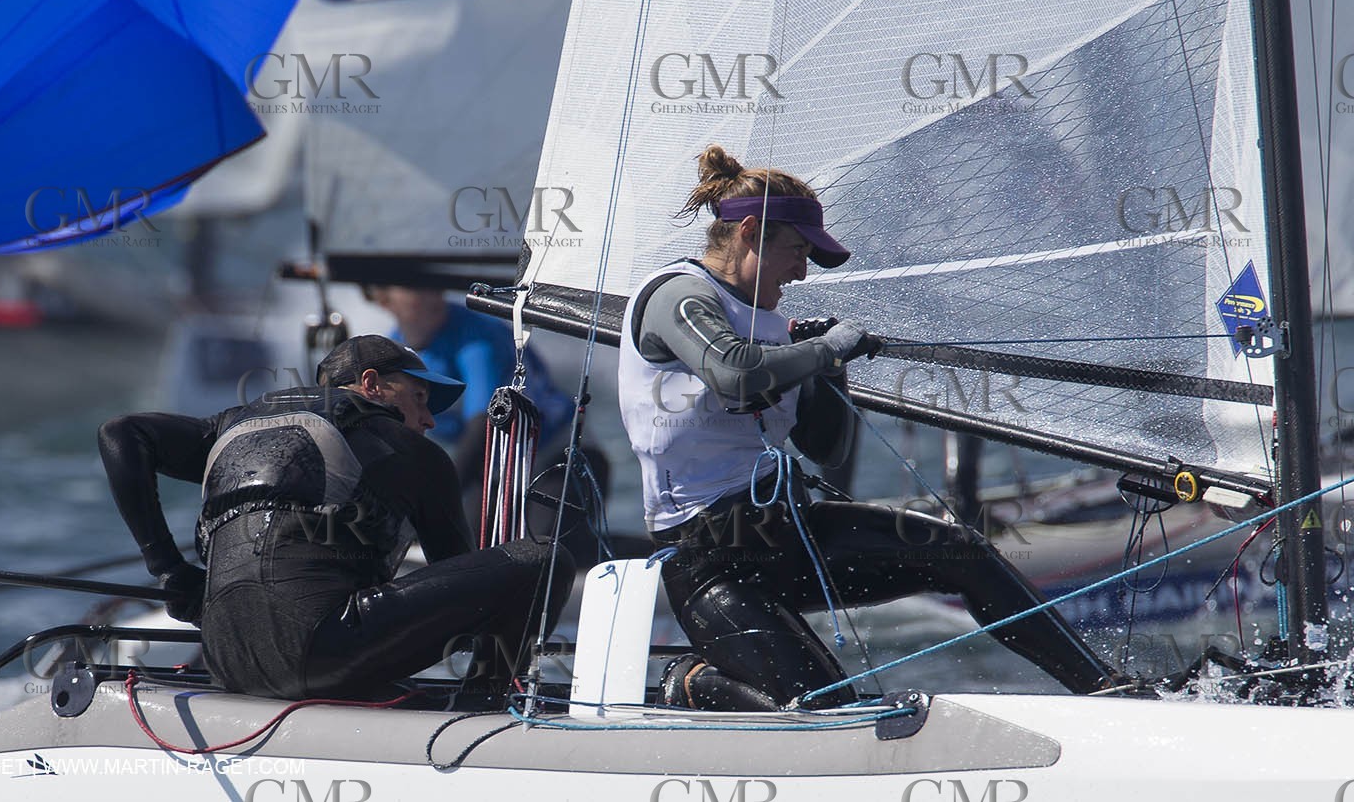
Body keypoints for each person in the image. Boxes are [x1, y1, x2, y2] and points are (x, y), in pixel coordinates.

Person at [623, 145, 1123, 710]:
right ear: (750, 232)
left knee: (960, 552)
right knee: (824, 709)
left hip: (786, 535)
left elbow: (823, 446)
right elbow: (733, 375)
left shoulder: (769, 325)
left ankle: (1110, 690)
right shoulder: (678, 295)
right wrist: (818, 350)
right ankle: (689, 682)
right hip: (709, 556)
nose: (801, 270)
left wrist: (828, 374)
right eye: (797, 251)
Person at [98, 334, 574, 700]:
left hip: (223, 658)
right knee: (542, 560)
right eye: (420, 398)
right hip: (323, 652)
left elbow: (120, 434)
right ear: (372, 385)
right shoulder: (416, 454)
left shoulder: (232, 425)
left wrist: (169, 571)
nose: (429, 421)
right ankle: (481, 706)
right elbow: (476, 615)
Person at [366, 284, 610, 547]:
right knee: (466, 548)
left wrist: (428, 505)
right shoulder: (395, 355)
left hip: (560, 459)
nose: (432, 295)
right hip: (497, 472)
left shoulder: (477, 336)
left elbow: (483, 427)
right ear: (383, 300)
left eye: (432, 285)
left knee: (537, 550)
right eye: (416, 289)